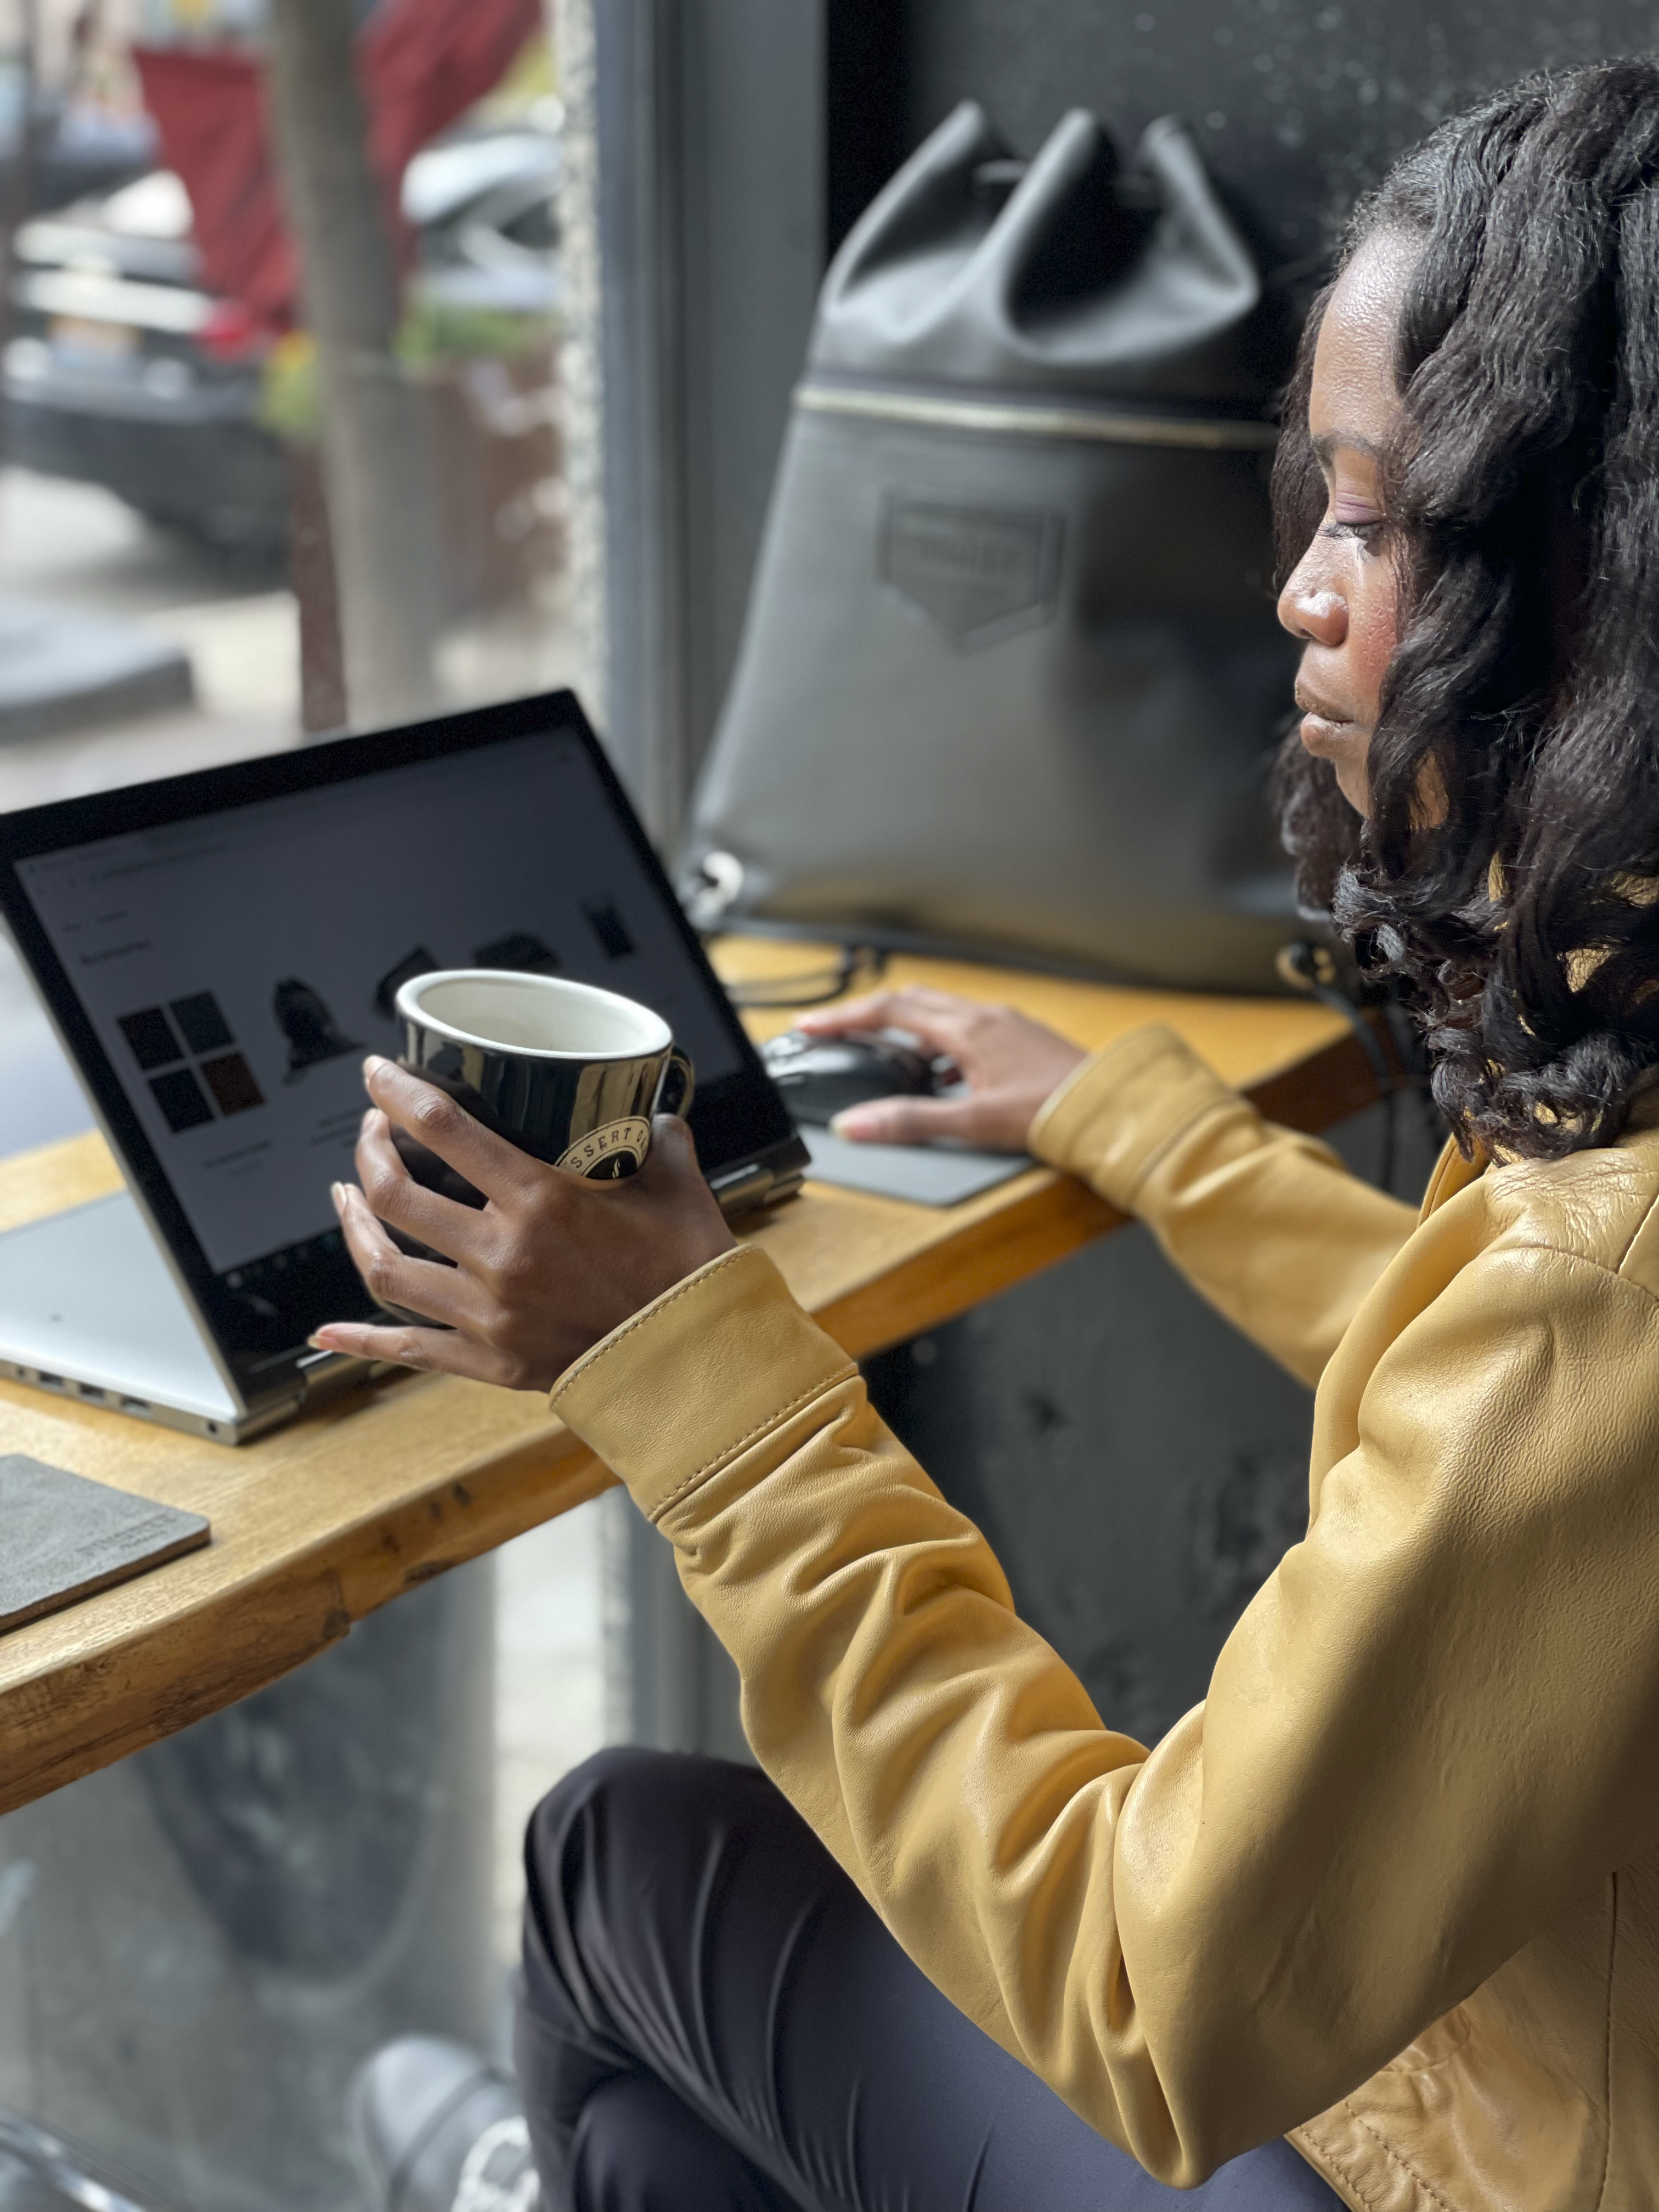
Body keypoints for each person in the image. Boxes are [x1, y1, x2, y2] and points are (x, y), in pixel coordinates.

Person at [321, 60, 1659, 2212]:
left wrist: (701, 1371)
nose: (1306, 594)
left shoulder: (1597, 1290)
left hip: (1403, 2159)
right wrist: (1140, 1124)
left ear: (1606, 585)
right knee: (676, 2117)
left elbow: (1156, 1998)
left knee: (609, 1865)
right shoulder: (1609, 1142)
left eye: (1380, 518)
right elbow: (1526, 1431)